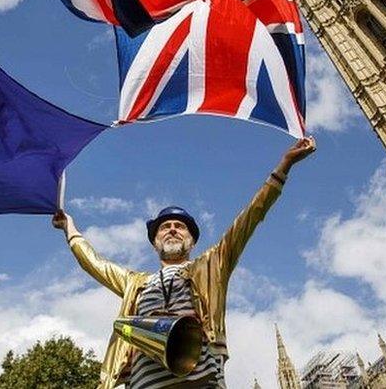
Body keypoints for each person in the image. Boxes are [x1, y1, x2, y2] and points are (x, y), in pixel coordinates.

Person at [52, 137, 317, 388]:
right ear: (155, 241)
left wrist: (284, 165)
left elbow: (250, 217)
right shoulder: (135, 283)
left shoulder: (210, 265)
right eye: (165, 227)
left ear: (192, 240)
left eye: (180, 227)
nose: (172, 230)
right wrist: (69, 227)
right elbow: (93, 263)